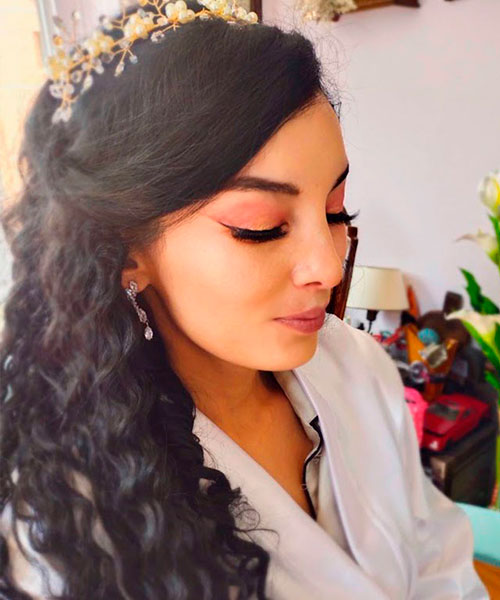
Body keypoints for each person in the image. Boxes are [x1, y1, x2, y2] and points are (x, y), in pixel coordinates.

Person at [0, 0, 489, 598]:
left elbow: (439, 559)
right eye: (261, 227)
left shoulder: (357, 366)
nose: (329, 267)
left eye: (336, 211)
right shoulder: (68, 519)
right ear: (126, 247)